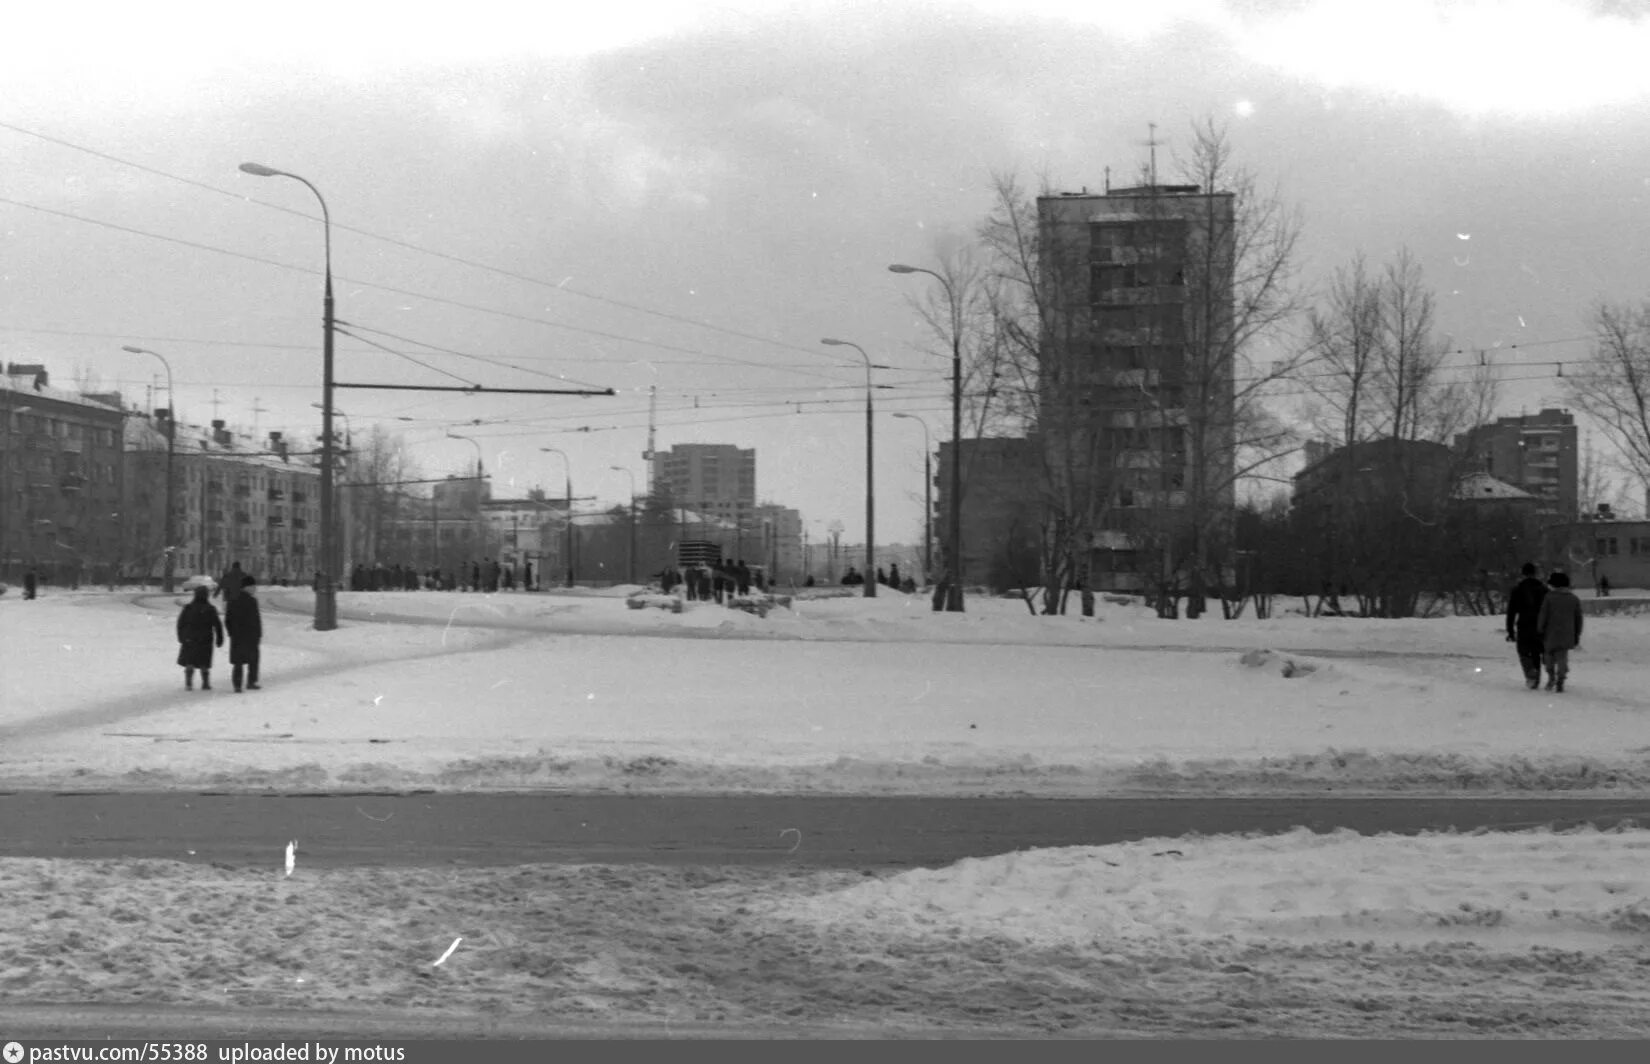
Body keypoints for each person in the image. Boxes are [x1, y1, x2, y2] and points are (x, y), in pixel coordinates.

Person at [1536, 570, 1583, 693]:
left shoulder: (1549, 598)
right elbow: (1578, 618)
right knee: (1562, 657)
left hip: (1550, 633)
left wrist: (1540, 629)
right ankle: (1561, 677)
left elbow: (1543, 615)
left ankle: (1551, 677)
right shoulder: (1573, 599)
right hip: (1567, 633)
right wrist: (1577, 633)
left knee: (1549, 657)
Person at [1505, 562, 1549, 690]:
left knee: (1523, 651)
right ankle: (1536, 678)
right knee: (1536, 653)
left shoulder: (1518, 590)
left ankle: (1530, 674)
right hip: (1540, 625)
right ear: (1535, 573)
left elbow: (1511, 612)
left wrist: (1510, 631)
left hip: (1524, 624)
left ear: (1523, 573)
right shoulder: (1543, 589)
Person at [176, 586, 224, 691]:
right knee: (204, 662)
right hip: (205, 639)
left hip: (190, 639)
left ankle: (189, 683)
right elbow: (217, 625)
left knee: (190, 661)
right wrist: (219, 639)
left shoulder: (188, 608)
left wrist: (181, 637)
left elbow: (180, 623)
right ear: (206, 596)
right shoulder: (210, 609)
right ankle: (205, 683)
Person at [225, 574, 263, 693]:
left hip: (237, 636)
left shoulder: (232, 600)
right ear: (248, 587)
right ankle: (251, 682)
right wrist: (258, 634)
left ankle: (237, 685)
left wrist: (231, 632)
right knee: (253, 660)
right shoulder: (252, 601)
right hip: (250, 636)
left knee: (238, 662)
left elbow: (227, 619)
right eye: (253, 586)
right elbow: (256, 620)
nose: (255, 589)